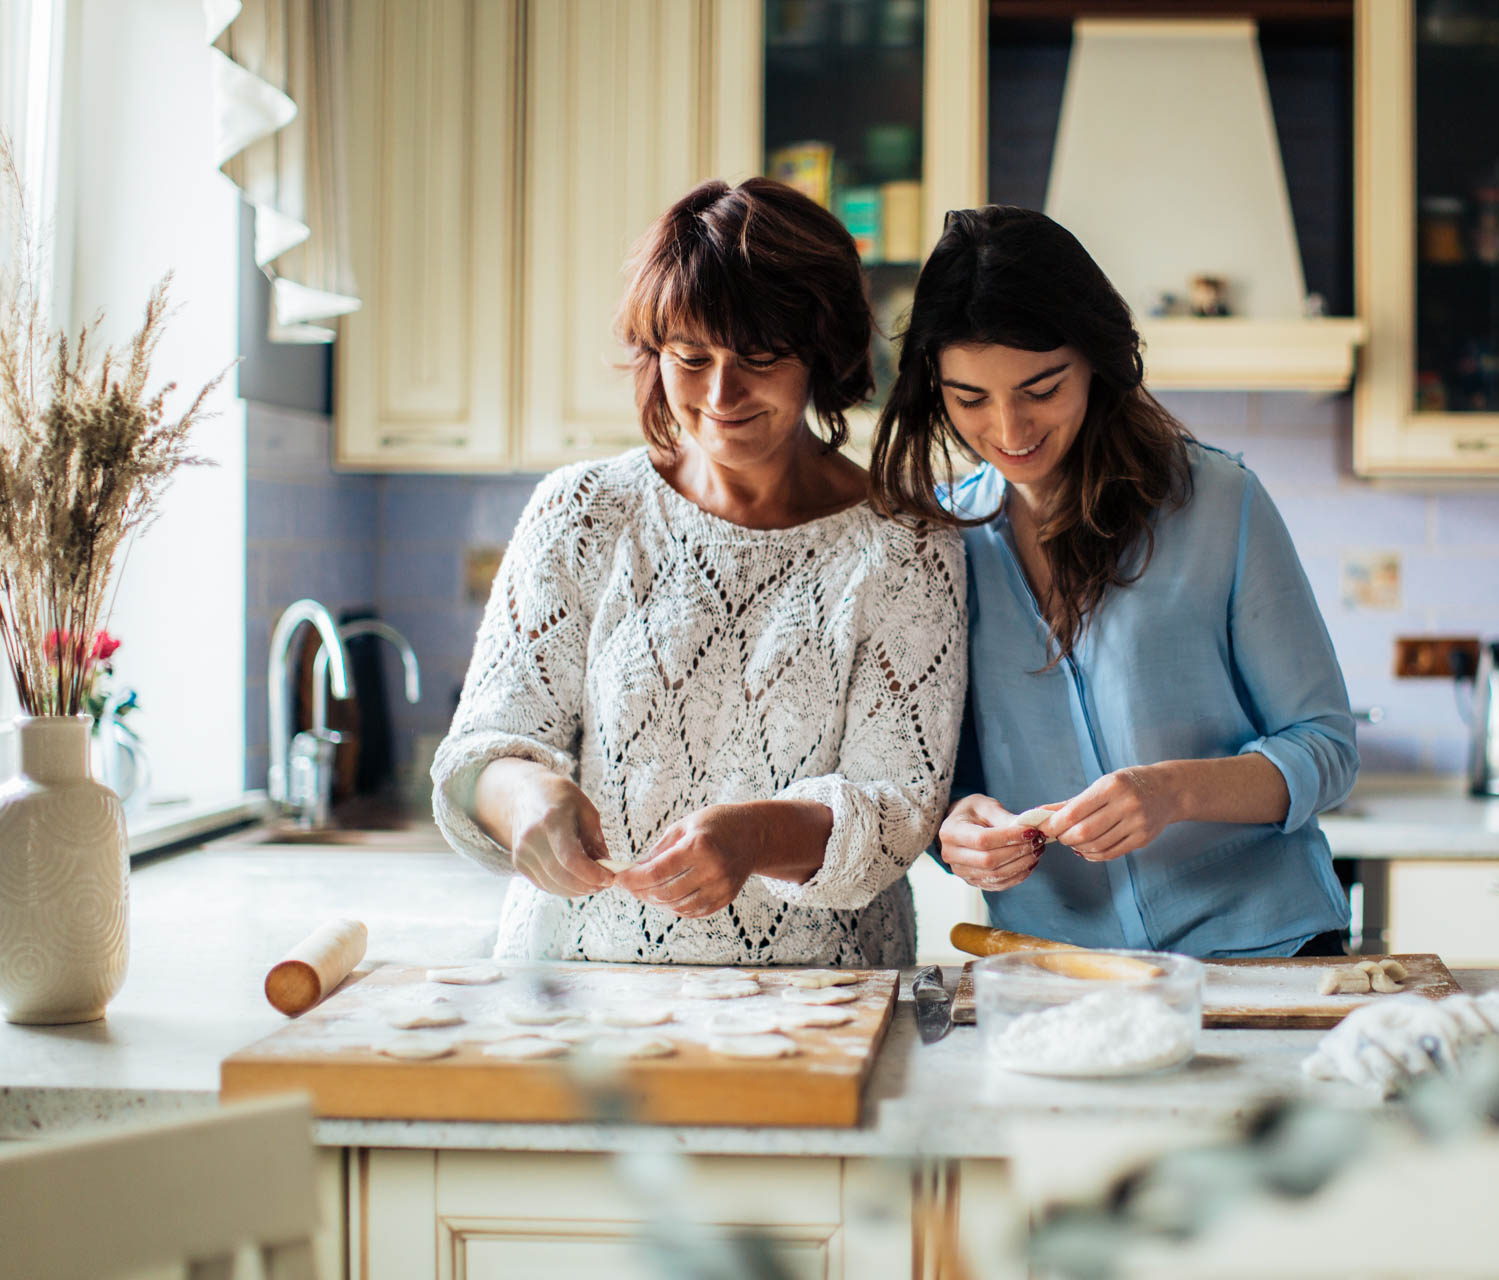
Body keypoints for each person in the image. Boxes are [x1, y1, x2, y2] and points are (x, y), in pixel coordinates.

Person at [431, 179, 966, 966]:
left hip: (818, 1001)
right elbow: (483, 746)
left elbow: (896, 810)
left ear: (821, 354)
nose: (721, 394)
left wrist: (753, 837)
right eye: (691, 357)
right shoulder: (582, 512)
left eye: (760, 358)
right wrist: (525, 798)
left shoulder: (907, 545)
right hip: (578, 989)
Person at [869, 206, 1357, 958]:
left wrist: (1174, 791)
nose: (1009, 427)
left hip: (1268, 955)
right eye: (970, 399)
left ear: (1096, 359)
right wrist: (957, 829)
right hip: (1058, 971)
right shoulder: (942, 547)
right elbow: (943, 780)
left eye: (1042, 387)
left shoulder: (1220, 503)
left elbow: (1325, 747)